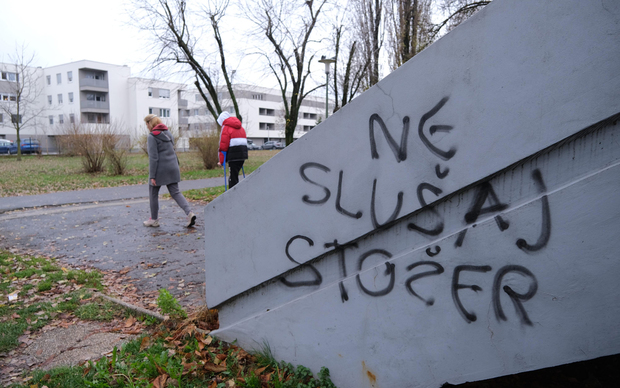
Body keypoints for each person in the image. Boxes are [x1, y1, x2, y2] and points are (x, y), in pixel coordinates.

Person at [143, 114, 196, 228]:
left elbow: (153, 157)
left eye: (146, 124)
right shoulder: (168, 133)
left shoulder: (152, 136)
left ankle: (154, 219)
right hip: (173, 166)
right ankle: (189, 213)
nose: (146, 127)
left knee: (153, 193)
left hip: (160, 169)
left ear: (149, 124)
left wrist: (152, 175)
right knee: (176, 192)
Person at [217, 111, 248, 189]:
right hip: (242, 155)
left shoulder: (226, 127)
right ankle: (237, 192)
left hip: (233, 155)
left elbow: (223, 145)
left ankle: (233, 195)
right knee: (235, 175)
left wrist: (221, 161)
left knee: (233, 178)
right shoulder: (240, 127)